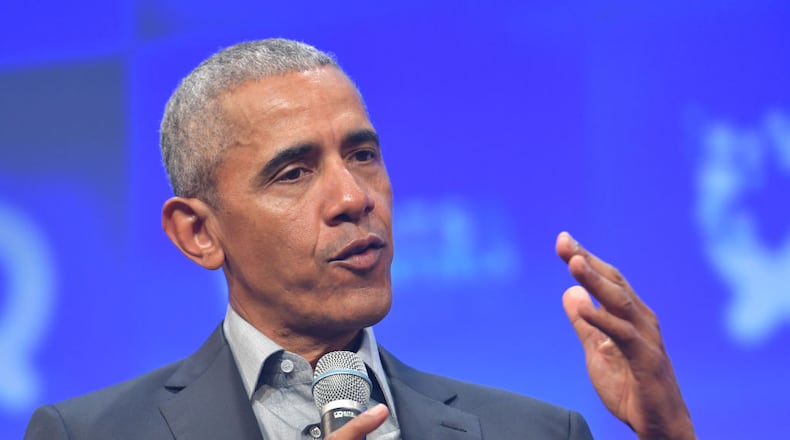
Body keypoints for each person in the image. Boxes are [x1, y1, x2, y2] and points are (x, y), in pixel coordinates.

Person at [24, 38, 695, 440]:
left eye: (363, 155)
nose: (353, 198)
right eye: (293, 172)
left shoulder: (537, 433)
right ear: (199, 232)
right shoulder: (90, 435)